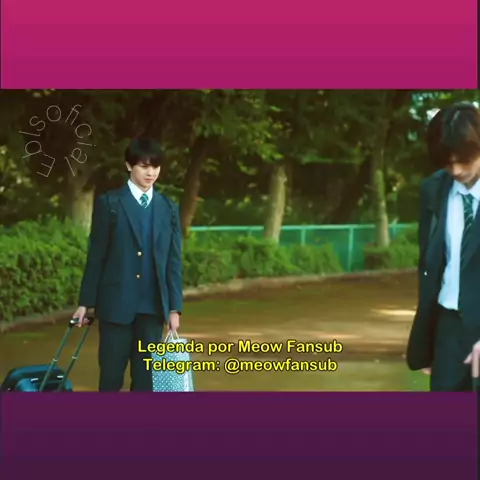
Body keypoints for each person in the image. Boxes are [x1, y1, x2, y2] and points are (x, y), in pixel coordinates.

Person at [72, 138, 183, 392]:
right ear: (129, 165)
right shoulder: (110, 203)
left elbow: (173, 262)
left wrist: (174, 308)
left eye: (155, 166)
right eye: (144, 166)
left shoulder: (168, 208)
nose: (150, 172)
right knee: (111, 378)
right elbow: (97, 255)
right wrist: (85, 302)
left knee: (146, 382)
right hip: (115, 307)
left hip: (152, 309)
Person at [406, 102, 480, 391]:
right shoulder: (434, 189)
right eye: (448, 163)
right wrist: (427, 339)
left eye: (465, 160)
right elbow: (430, 265)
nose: (457, 170)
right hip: (449, 328)